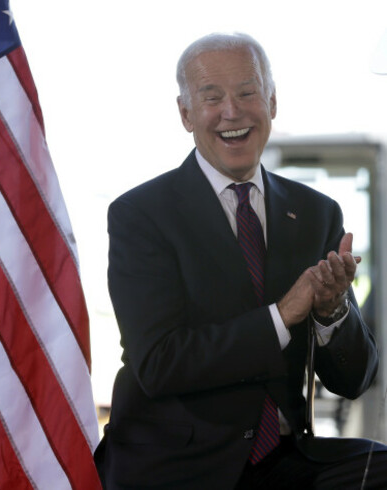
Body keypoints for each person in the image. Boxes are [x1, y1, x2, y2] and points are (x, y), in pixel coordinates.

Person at [94, 32, 387, 489]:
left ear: (271, 102)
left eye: (248, 93)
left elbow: (353, 381)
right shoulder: (140, 215)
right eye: (212, 98)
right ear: (186, 113)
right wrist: (283, 314)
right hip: (178, 464)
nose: (232, 111)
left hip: (288, 459)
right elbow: (160, 364)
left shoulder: (316, 212)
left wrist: (331, 312)